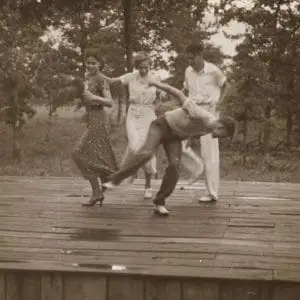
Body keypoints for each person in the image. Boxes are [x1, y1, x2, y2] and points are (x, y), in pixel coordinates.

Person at [103, 79, 236, 216]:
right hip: (162, 126)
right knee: (147, 153)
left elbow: (194, 133)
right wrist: (155, 84)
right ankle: (115, 178)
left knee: (174, 166)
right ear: (220, 126)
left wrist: (189, 140)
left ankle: (159, 202)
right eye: (221, 135)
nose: (218, 138)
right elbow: (177, 93)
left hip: (175, 137)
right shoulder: (201, 114)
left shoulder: (209, 129)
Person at [97, 51, 158, 199]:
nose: (143, 70)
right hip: (133, 114)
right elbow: (112, 81)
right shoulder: (131, 76)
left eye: (146, 67)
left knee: (147, 149)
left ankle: (148, 186)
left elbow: (163, 96)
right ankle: (132, 170)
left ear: (150, 66)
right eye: (140, 67)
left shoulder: (155, 78)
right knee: (133, 146)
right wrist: (99, 72)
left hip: (148, 114)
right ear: (136, 66)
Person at [180, 42, 230, 202]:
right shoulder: (188, 71)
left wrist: (220, 102)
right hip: (193, 110)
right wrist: (174, 96)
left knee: (210, 153)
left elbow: (226, 86)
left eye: (192, 58)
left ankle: (212, 192)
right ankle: (196, 167)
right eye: (188, 59)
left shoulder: (213, 70)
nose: (190, 62)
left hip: (209, 112)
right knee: (179, 142)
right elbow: (185, 89)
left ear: (200, 55)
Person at [72, 49, 118, 207]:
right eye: (88, 62)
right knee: (88, 155)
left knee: (78, 153)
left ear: (100, 64)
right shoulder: (87, 78)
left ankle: (102, 187)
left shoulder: (102, 79)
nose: (90, 65)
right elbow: (86, 98)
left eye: (94, 62)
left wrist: (93, 98)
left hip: (100, 121)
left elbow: (110, 102)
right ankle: (98, 191)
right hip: (91, 120)